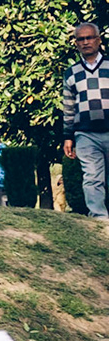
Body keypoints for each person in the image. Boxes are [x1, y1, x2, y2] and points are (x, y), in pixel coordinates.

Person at [62, 23, 108, 216]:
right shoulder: (71, 73)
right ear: (76, 43)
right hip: (86, 134)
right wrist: (68, 136)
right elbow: (68, 108)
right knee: (92, 178)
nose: (86, 42)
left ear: (98, 40)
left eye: (89, 38)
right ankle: (99, 220)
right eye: (81, 39)